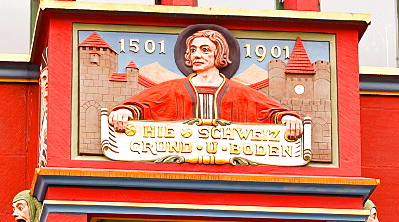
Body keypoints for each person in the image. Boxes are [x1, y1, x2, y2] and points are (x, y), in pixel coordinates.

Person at [108, 28, 303, 141]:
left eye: (204, 50)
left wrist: (287, 118)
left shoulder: (240, 92)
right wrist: (125, 111)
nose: (197, 55)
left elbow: (269, 110)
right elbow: (143, 104)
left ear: (219, 54)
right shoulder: (173, 88)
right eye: (193, 50)